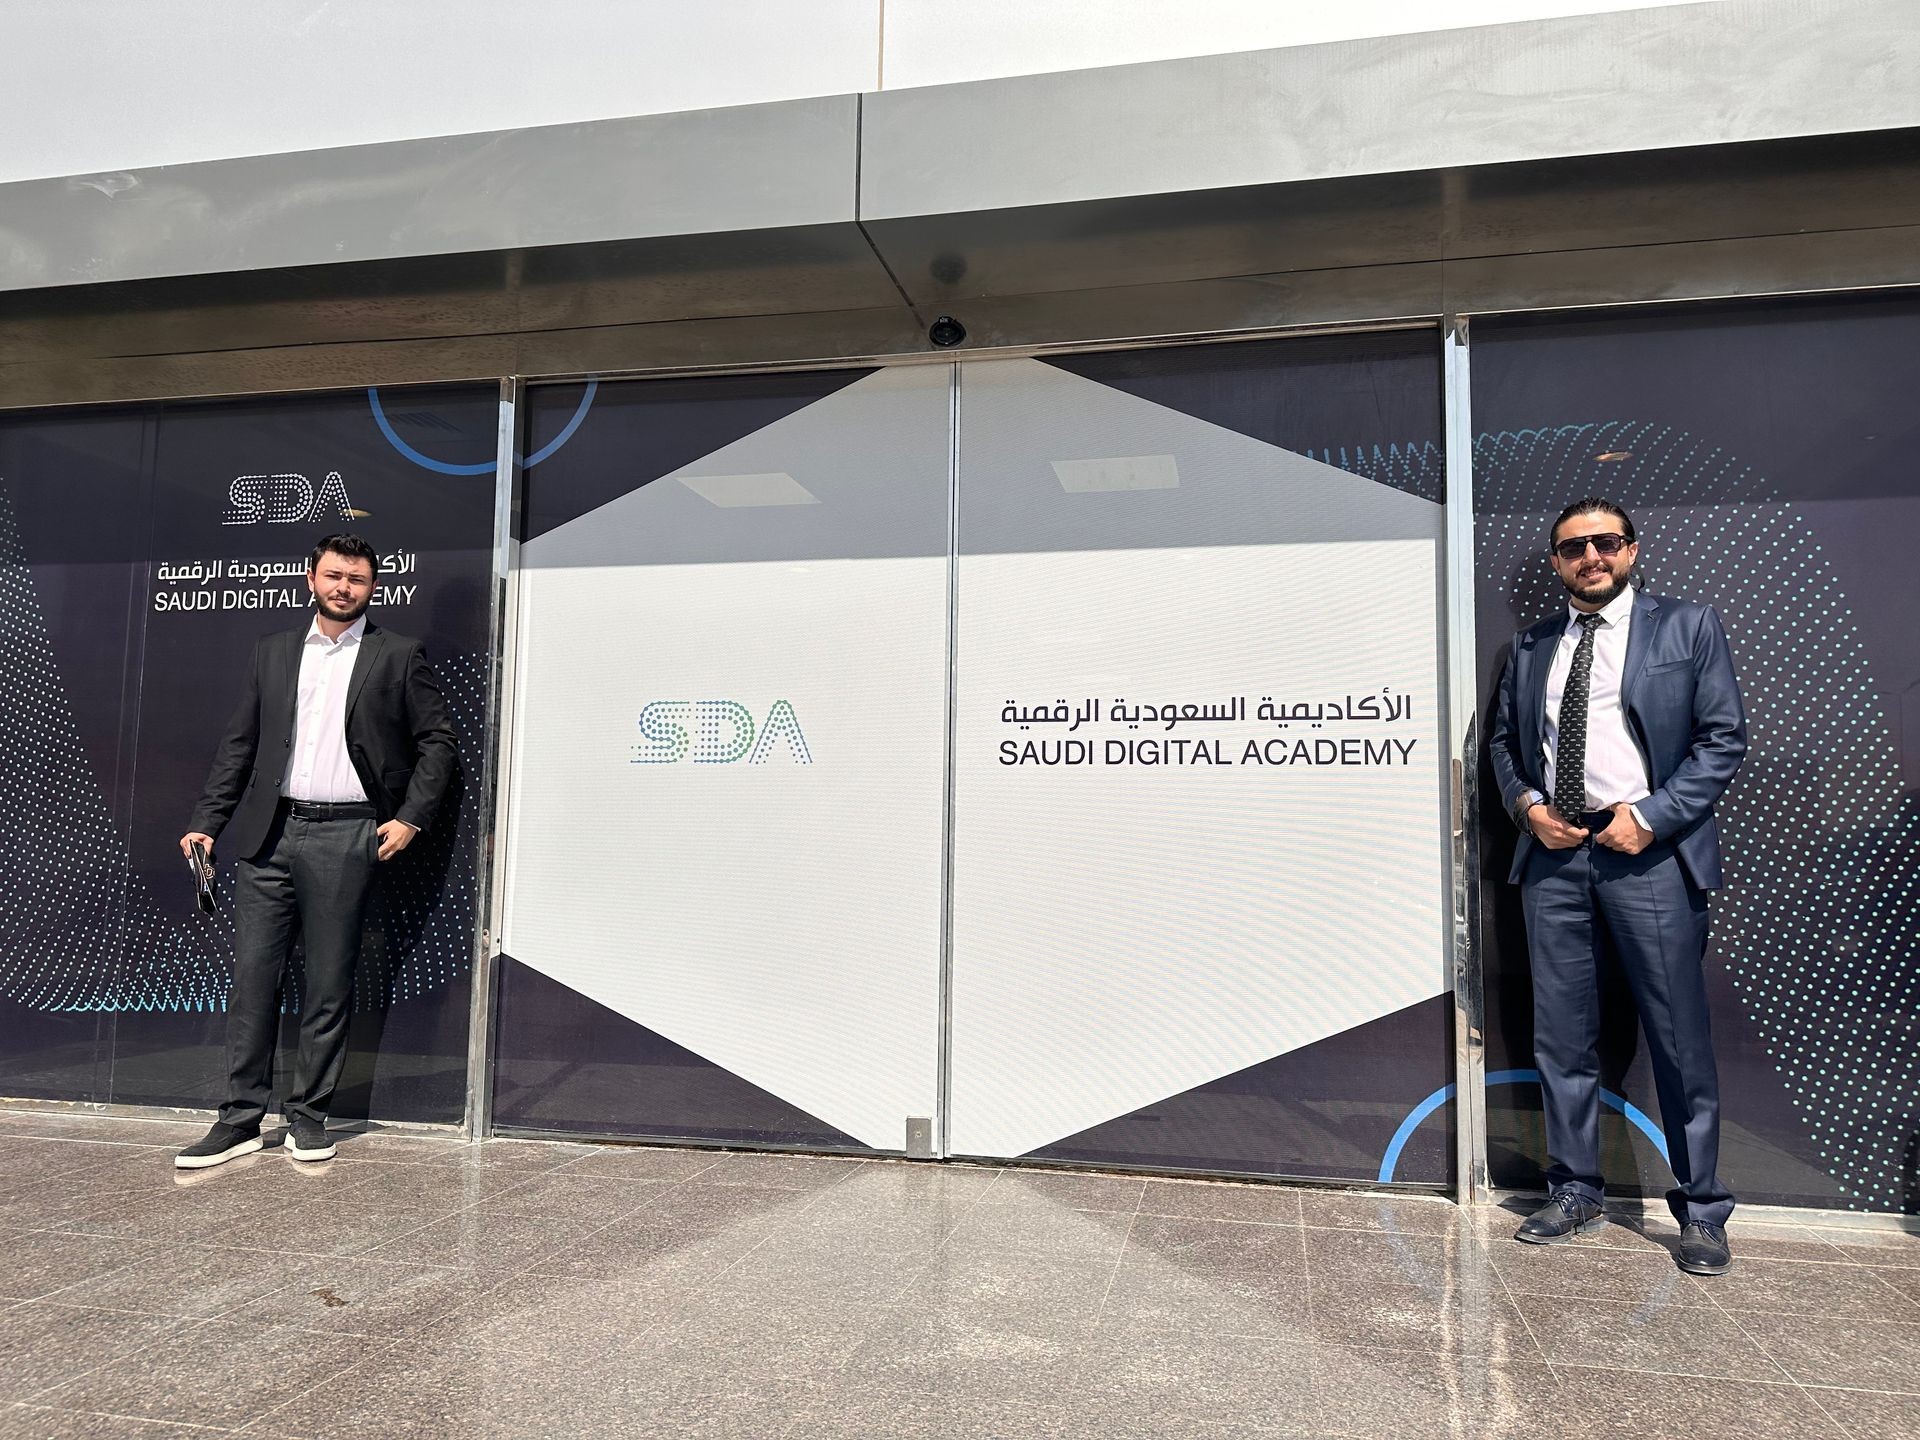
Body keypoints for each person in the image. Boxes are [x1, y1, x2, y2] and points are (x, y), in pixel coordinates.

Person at [1488, 498, 1747, 1275]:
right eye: (1573, 548)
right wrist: (1529, 808)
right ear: (1558, 561)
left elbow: (1722, 736)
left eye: (1605, 543)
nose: (1590, 557)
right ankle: (1574, 1190)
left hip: (1650, 856)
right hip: (1557, 860)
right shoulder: (1531, 645)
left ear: (1632, 550)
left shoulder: (1686, 627)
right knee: (1562, 1036)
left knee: (1677, 1038)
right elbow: (1504, 744)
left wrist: (1655, 816)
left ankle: (1701, 1209)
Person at [174, 534, 457, 1169]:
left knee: (329, 983)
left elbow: (438, 744)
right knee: (253, 982)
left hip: (348, 834)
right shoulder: (272, 654)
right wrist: (207, 821)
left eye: (357, 580)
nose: (344, 588)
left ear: (373, 587)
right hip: (268, 836)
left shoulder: (398, 656)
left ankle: (308, 1117)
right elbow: (239, 745)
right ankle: (240, 1120)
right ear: (310, 579)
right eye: (334, 576)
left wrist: (410, 818)